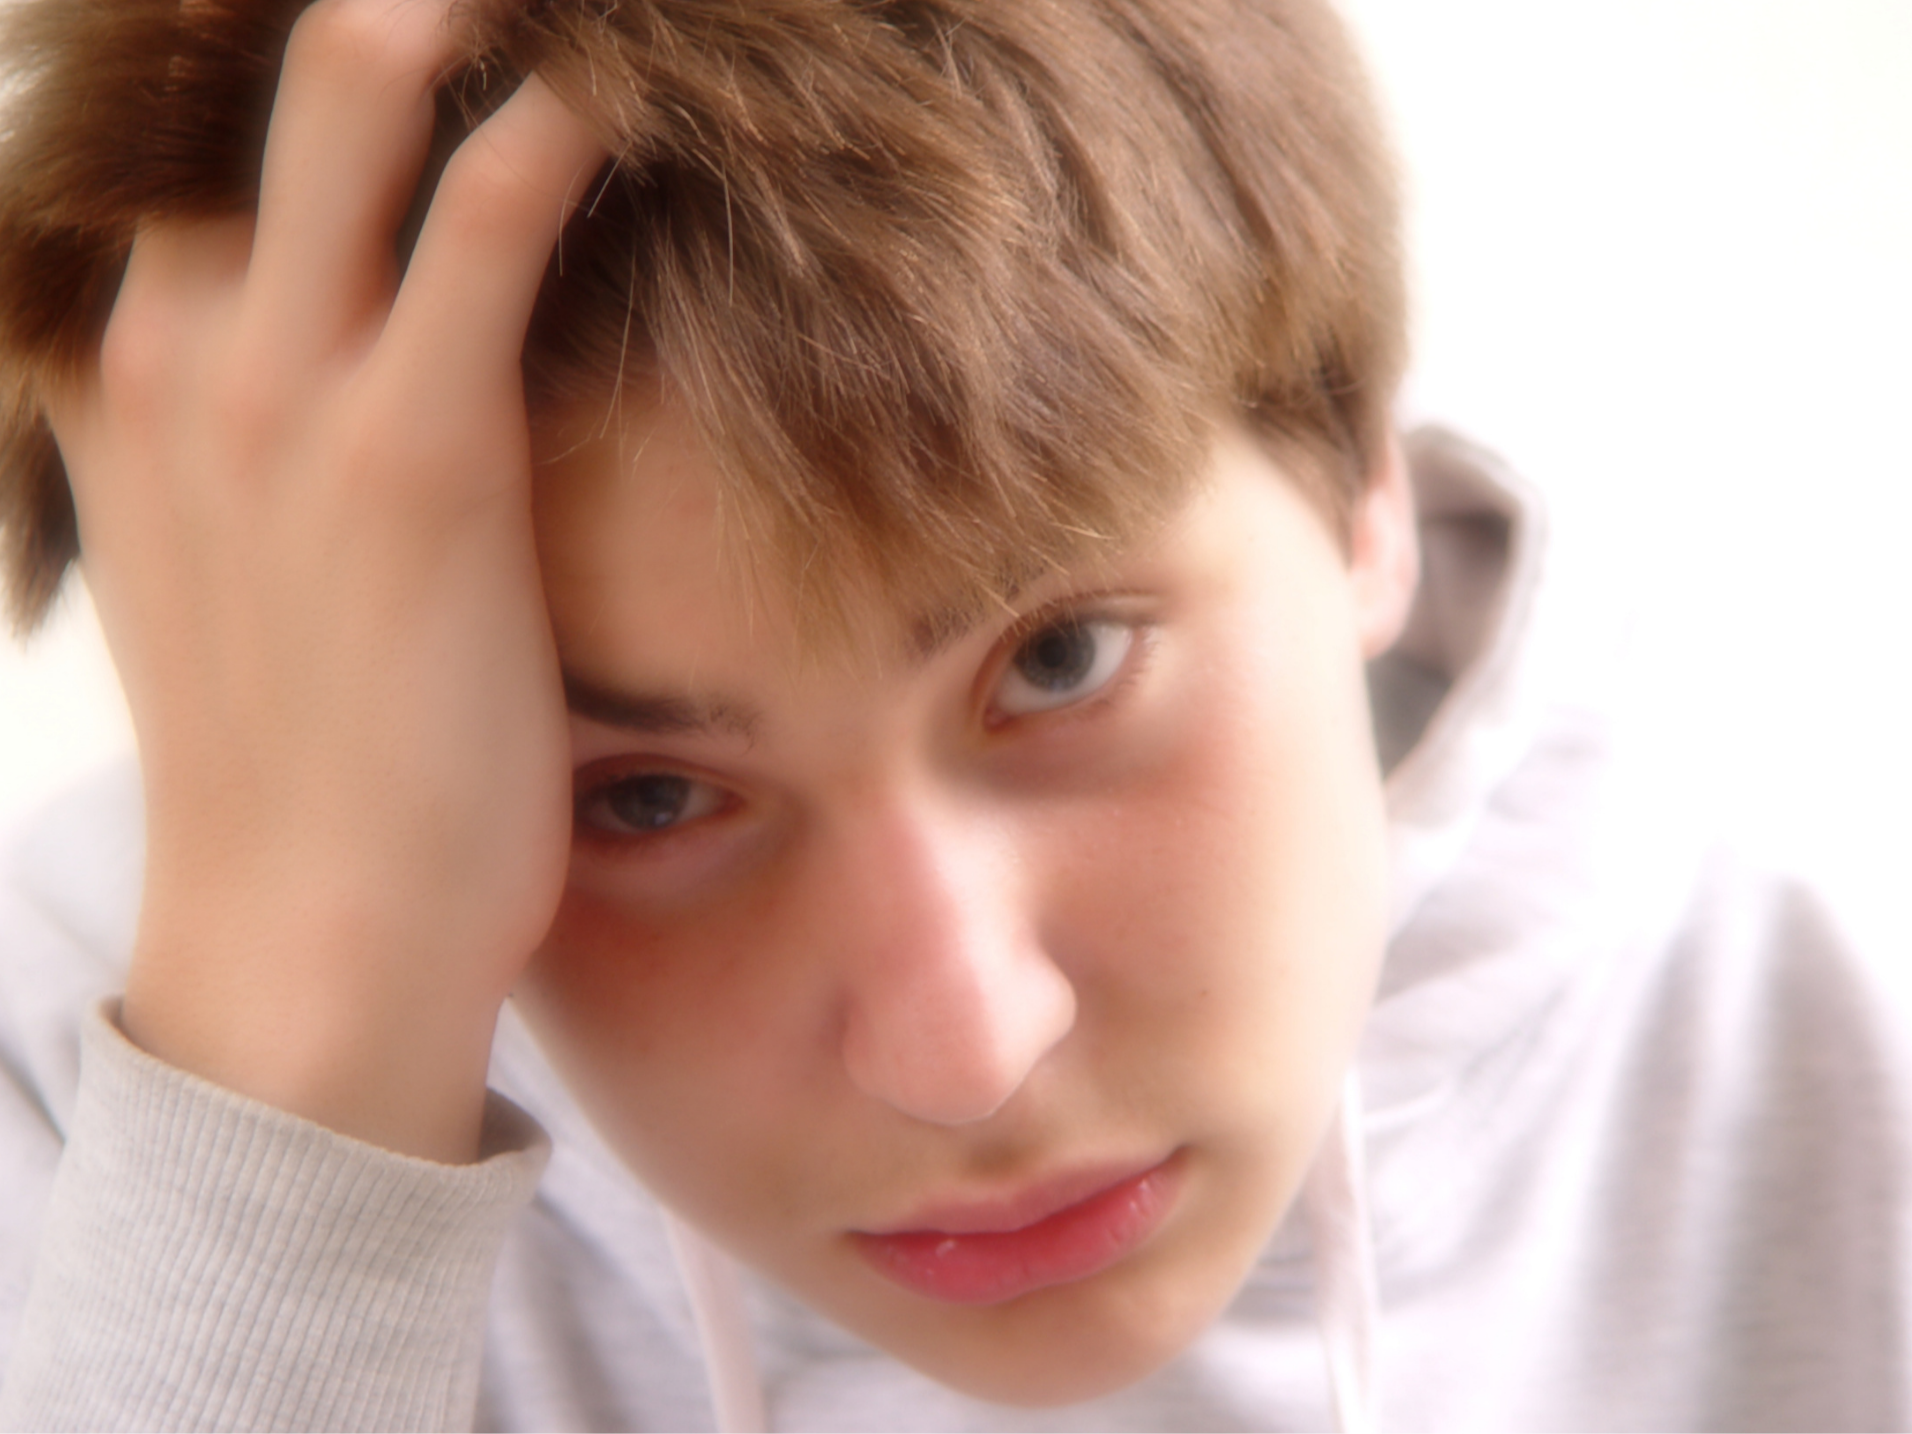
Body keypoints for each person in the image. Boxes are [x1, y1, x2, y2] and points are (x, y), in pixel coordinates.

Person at [0, 0, 1906, 1429]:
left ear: (1358, 498)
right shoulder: (69, 1084)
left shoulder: (1842, 927)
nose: (966, 1047)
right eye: (647, 794)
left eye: (1061, 660)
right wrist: (282, 1098)